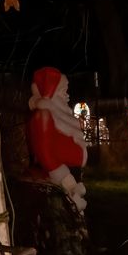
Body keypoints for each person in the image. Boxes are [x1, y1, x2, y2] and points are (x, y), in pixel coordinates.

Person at [26, 67, 88, 211]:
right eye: (63, 91)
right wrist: (65, 179)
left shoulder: (54, 115)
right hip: (61, 177)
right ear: (52, 93)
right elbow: (44, 151)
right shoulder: (43, 116)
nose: (67, 96)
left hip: (69, 173)